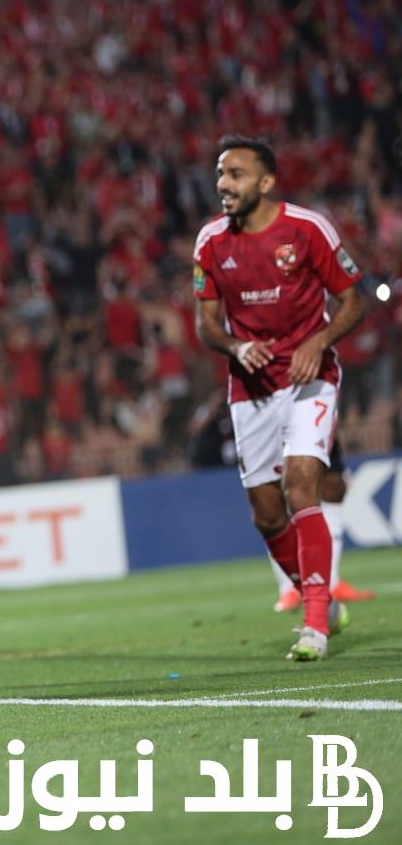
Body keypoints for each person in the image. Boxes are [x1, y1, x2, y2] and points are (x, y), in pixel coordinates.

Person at [193, 136, 368, 661]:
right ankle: (321, 599)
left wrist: (319, 340)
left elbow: (353, 302)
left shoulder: (307, 229)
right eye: (221, 174)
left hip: (309, 376)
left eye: (236, 174)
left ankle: (314, 623)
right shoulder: (210, 243)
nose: (224, 184)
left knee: (301, 486)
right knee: (267, 515)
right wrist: (234, 344)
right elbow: (205, 326)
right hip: (250, 388)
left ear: (266, 182)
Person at [269, 439, 374, 611]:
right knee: (282, 487)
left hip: (314, 414)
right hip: (271, 419)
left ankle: (332, 583)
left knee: (334, 484)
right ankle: (290, 588)